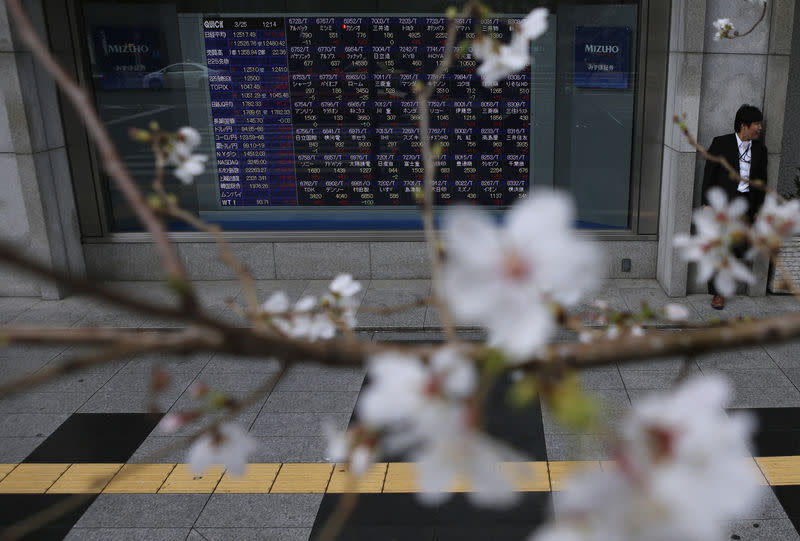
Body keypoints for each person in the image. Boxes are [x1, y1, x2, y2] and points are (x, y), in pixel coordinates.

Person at [701, 104, 767, 310]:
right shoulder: (721, 143)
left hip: (746, 205)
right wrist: (706, 204)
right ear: (744, 125)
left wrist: (758, 208)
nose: (760, 128)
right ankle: (718, 294)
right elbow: (709, 175)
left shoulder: (760, 150)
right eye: (757, 124)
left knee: (741, 248)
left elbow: (762, 181)